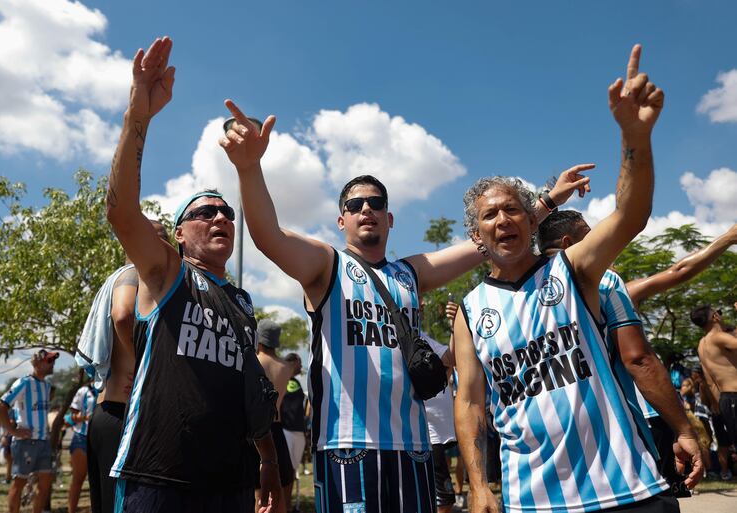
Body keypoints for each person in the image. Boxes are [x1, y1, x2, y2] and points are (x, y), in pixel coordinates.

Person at [220, 94, 591, 510]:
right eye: (354, 205)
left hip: (413, 445)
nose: (366, 210)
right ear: (341, 220)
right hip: (348, 445)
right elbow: (269, 235)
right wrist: (249, 168)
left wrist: (549, 201)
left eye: (376, 204)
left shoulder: (409, 273)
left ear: (389, 218)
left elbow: (485, 243)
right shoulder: (326, 266)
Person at [454, 45, 701, 513]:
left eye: (513, 210)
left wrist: (635, 138)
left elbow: (630, 214)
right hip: (534, 501)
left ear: (531, 220)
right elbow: (468, 403)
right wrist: (478, 484)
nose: (503, 219)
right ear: (477, 233)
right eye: (490, 215)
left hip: (626, 489)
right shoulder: (470, 312)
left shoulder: (574, 270)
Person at [105, 36, 280, 513]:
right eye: (205, 212)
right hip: (157, 479)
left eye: (227, 213)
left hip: (232, 484)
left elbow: (251, 386)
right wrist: (137, 116)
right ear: (179, 234)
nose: (221, 218)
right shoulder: (167, 272)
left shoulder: (243, 302)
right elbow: (121, 212)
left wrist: (268, 462)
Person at [537, 209, 725, 492]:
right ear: (568, 245)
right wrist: (728, 238)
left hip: (547, 441)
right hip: (624, 423)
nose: (600, 243)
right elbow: (639, 357)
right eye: (590, 237)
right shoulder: (606, 284)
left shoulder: (517, 299)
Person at [85, 220, 168, 513]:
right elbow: (122, 316)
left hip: (110, 414)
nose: (162, 246)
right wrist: (147, 367)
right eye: (156, 239)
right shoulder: (133, 274)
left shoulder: (133, 280)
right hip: (122, 416)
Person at [0, 349, 58, 513]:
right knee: (19, 483)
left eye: (53, 360)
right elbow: (1, 406)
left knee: (45, 484)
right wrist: (13, 431)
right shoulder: (24, 382)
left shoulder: (46, 385)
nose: (53, 364)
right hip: (25, 442)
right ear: (37, 363)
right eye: (49, 360)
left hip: (43, 441)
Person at [254, 319, 295, 513]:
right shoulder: (287, 367)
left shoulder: (254, 362)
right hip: (277, 432)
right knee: (283, 490)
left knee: (258, 495)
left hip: (257, 432)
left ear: (259, 341)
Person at [422, 301, 458, 513]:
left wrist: (455, 327)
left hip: (433, 434)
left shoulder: (423, 338)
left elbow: (450, 359)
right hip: (425, 434)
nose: (425, 302)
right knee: (443, 500)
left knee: (441, 500)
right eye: (419, 297)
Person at [692, 305, 737, 450]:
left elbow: (709, 380)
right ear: (714, 317)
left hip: (725, 399)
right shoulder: (719, 337)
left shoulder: (702, 344)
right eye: (717, 312)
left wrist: (715, 403)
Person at [279, 352, 307, 513]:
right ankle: (283, 506)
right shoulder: (281, 376)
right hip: (286, 430)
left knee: (293, 471)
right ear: (293, 361)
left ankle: (290, 506)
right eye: (300, 362)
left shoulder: (296, 382)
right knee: (286, 472)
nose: (301, 366)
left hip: (299, 432)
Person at [67, 383, 97, 513]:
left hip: (101, 439)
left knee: (98, 481)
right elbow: (72, 417)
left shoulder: (112, 385)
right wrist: (85, 417)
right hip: (82, 438)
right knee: (78, 479)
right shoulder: (84, 390)